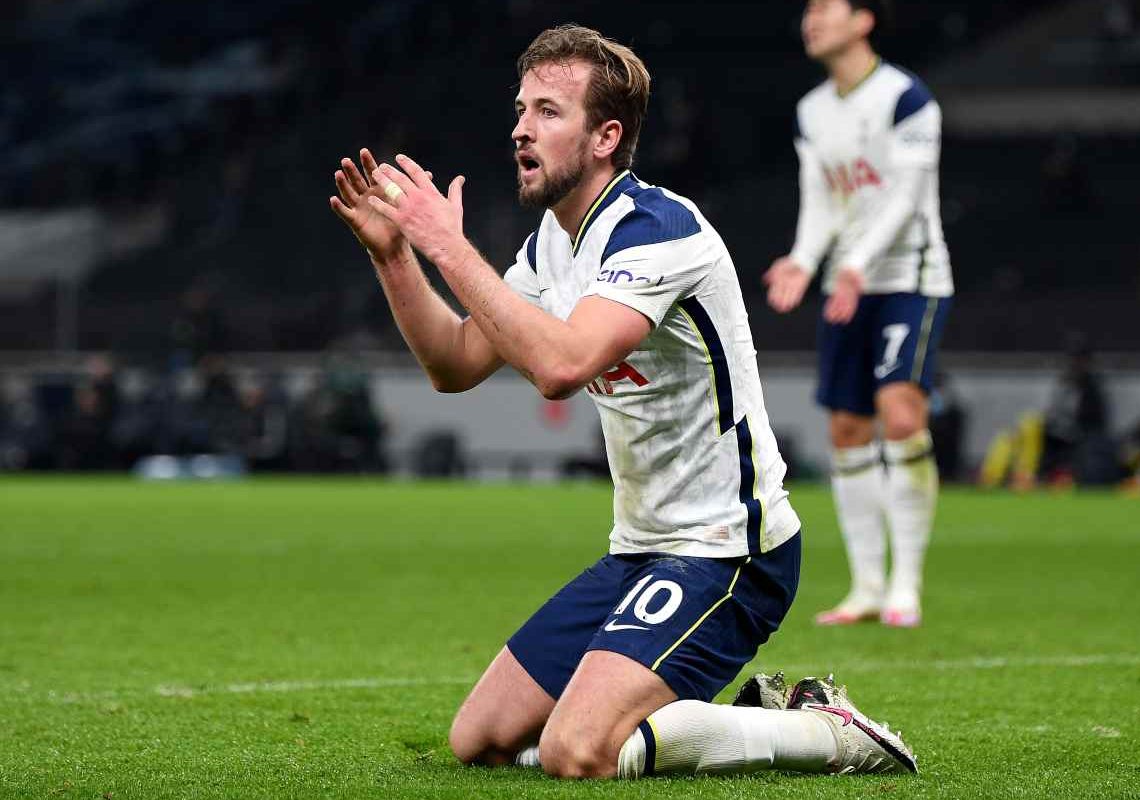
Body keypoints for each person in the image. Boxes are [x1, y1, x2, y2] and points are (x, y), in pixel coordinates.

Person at [328, 24, 915, 781]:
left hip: (732, 551)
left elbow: (561, 366)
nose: (519, 127)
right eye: (520, 108)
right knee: (480, 739)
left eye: (547, 111)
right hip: (641, 550)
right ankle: (655, 716)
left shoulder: (658, 232)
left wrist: (447, 245)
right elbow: (455, 363)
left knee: (578, 752)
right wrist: (397, 255)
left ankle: (820, 730)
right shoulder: (551, 245)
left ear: (606, 136)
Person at [763, 0, 954, 628]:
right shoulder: (811, 111)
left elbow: (906, 198)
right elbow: (820, 200)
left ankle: (908, 584)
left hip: (909, 278)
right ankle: (867, 586)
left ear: (863, 20)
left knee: (900, 411)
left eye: (825, 7)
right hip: (848, 283)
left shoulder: (908, 98)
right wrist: (802, 258)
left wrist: (857, 264)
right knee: (846, 427)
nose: (810, 18)